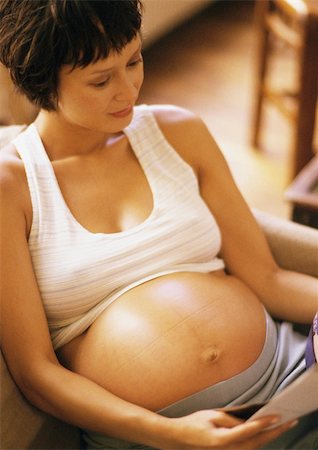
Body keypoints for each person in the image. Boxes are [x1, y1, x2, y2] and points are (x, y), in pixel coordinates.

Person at [0, 1, 317, 449]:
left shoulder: (178, 132)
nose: (128, 89)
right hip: (152, 437)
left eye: (133, 61)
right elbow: (35, 372)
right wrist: (172, 434)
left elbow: (269, 279)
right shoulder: (13, 186)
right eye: (101, 80)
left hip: (290, 385)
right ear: (43, 81)